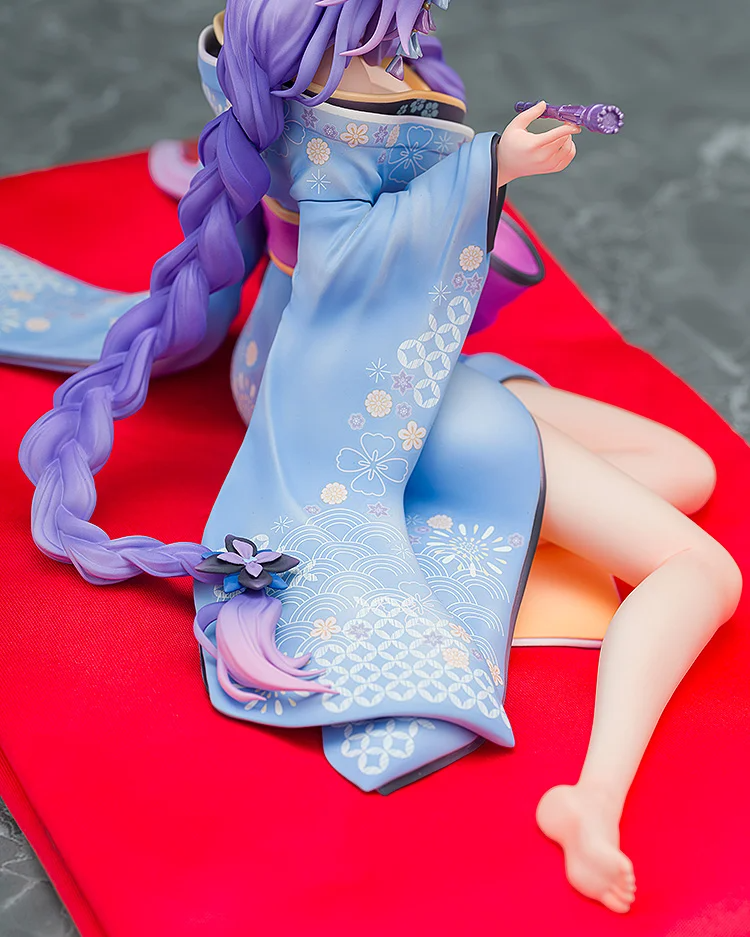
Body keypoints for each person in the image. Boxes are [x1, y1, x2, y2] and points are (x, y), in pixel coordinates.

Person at [18, 0, 741, 913]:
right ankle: (591, 800)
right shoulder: (329, 126)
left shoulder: (272, 81)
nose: (406, 41)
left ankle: (477, 523)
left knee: (687, 468)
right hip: (379, 391)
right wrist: (490, 165)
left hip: (340, 364)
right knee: (702, 569)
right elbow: (354, 260)